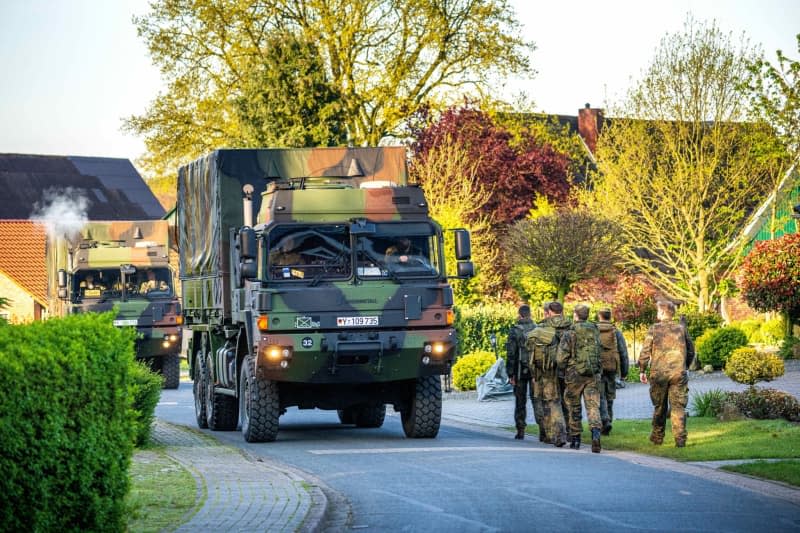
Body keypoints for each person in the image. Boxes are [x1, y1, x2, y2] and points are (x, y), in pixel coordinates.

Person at [639, 300, 695, 448]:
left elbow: (645, 351)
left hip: (659, 374)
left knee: (659, 407)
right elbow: (691, 350)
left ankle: (657, 437)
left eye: (658, 311)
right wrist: (685, 365)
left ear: (663, 312)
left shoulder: (654, 329)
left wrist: (642, 369)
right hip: (678, 373)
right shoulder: (681, 329)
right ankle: (680, 439)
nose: (657, 314)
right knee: (678, 407)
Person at [557, 304, 603, 452]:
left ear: (575, 315)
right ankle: (596, 434)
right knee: (593, 405)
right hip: (593, 373)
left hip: (574, 374)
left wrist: (562, 369)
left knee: (573, 405)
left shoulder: (570, 332)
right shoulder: (595, 330)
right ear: (587, 315)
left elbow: (561, 358)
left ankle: (575, 439)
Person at [527, 301, 570, 447]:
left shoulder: (543, 328)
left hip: (549, 371)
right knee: (568, 402)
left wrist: (534, 374)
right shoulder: (571, 326)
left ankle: (555, 434)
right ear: (562, 311)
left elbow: (532, 353)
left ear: (549, 312)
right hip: (570, 371)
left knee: (552, 402)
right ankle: (572, 433)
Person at [505, 304, 537, 440]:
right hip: (535, 370)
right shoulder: (537, 329)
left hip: (519, 370)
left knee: (520, 401)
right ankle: (544, 430)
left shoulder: (515, 330)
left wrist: (510, 373)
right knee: (537, 400)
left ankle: (521, 430)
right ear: (530, 314)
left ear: (520, 314)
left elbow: (511, 353)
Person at [596, 307, 629, 435]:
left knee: (600, 395)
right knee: (610, 396)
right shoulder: (616, 332)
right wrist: (624, 373)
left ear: (599, 316)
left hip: (598, 366)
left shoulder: (594, 330)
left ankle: (604, 420)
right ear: (610, 317)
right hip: (611, 366)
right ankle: (608, 421)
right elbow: (623, 353)